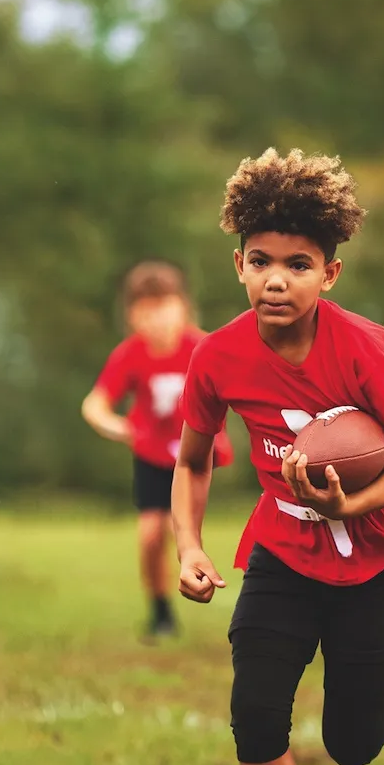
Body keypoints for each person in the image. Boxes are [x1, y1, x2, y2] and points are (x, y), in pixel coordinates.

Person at [173, 148, 384, 765]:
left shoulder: (364, 348)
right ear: (238, 265)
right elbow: (191, 462)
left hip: (375, 557)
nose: (276, 279)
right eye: (261, 262)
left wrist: (347, 507)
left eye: (297, 263)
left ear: (331, 273)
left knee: (355, 743)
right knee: (255, 713)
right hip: (281, 555)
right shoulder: (217, 354)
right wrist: (190, 547)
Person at [82, 261, 233, 639]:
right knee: (150, 535)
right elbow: (95, 404)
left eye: (165, 307)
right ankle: (160, 610)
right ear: (132, 316)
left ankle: (198, 580)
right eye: (146, 311)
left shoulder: (203, 346)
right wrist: (114, 425)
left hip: (194, 456)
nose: (158, 319)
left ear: (183, 307)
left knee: (175, 526)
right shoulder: (131, 355)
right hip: (150, 456)